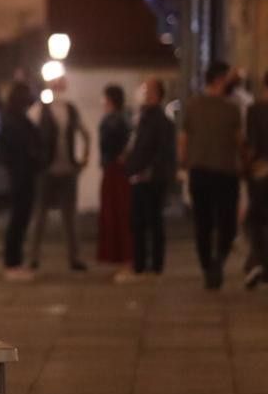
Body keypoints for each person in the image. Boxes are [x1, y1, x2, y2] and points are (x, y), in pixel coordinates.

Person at [180, 60, 244, 290]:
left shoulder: (194, 105)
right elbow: (239, 142)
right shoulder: (230, 108)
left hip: (200, 171)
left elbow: (184, 139)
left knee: (203, 222)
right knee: (226, 223)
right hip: (225, 172)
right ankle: (216, 262)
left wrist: (184, 162)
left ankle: (209, 265)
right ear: (219, 79)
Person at [118, 77, 176, 283]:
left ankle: (155, 265)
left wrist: (150, 170)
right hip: (138, 176)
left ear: (157, 94)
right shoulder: (143, 118)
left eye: (149, 90)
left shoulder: (161, 121)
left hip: (151, 178)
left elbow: (162, 150)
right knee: (138, 222)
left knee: (153, 220)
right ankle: (140, 263)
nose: (145, 93)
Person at [27, 89, 90, 271]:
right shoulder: (40, 109)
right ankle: (33, 257)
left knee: (69, 216)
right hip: (46, 169)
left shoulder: (70, 109)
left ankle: (74, 256)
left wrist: (84, 157)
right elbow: (30, 131)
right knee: (40, 214)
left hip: (67, 169)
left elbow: (84, 133)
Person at [0, 81, 43, 281]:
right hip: (20, 175)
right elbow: (4, 149)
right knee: (18, 219)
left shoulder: (20, 120)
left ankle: (16, 261)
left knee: (22, 218)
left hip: (26, 173)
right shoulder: (12, 121)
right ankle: (12, 263)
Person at [96, 84, 133, 267]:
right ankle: (120, 251)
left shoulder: (112, 120)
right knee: (119, 210)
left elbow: (110, 145)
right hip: (117, 168)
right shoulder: (124, 118)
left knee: (114, 209)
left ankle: (116, 251)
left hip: (113, 168)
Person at [243, 74, 268, 290]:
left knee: (256, 221)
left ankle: (258, 262)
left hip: (260, 171)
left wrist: (245, 167)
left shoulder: (255, 110)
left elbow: (251, 145)